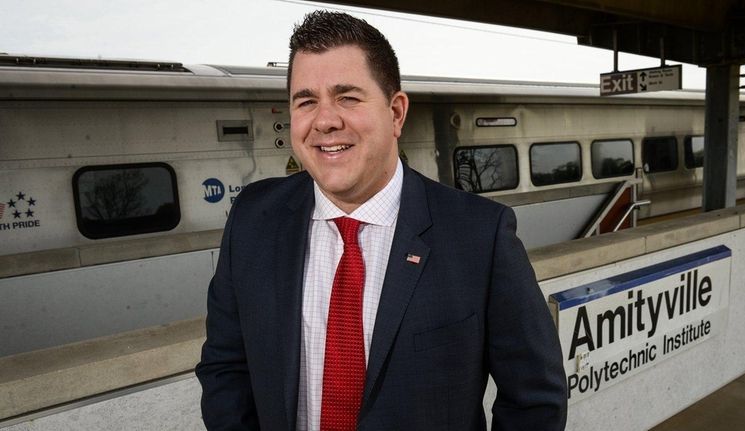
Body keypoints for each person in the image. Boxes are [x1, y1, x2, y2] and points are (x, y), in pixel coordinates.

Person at [196, 10, 567, 430]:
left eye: (347, 97)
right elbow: (225, 368)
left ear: (395, 113)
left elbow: (535, 399)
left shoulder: (481, 236)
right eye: (306, 101)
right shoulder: (253, 218)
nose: (325, 120)